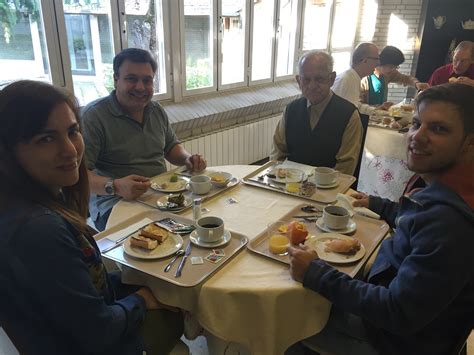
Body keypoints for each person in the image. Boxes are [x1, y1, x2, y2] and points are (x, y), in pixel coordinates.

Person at [287, 83, 474, 355]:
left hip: (393, 342)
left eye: (439, 129)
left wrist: (315, 272)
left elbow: (396, 312)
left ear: (470, 142)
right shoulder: (443, 193)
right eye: (417, 123)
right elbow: (417, 222)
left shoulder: (450, 222)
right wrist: (377, 204)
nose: (417, 136)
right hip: (410, 322)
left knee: (286, 324)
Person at [0, 80, 183, 354]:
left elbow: (84, 289)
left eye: (73, 131)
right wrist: (142, 299)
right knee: (183, 314)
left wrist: (148, 282)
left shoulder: (33, 206)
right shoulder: (39, 230)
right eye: (46, 139)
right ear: (9, 151)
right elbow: (99, 331)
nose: (71, 150)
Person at [82, 48, 207, 231]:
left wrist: (187, 158)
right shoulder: (94, 117)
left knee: (201, 220)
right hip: (115, 203)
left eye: (147, 80)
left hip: (160, 195)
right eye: (131, 79)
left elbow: (171, 147)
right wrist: (115, 186)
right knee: (161, 243)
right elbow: (79, 175)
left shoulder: (155, 109)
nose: (140, 87)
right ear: (116, 79)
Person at [270, 51, 363, 175]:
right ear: (299, 80)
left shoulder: (349, 115)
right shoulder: (291, 110)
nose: (312, 86)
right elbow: (277, 153)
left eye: (319, 79)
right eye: (306, 80)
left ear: (332, 79)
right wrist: (278, 178)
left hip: (329, 188)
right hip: (291, 185)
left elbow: (345, 167)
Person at [360, 46, 429, 105]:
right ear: (382, 63)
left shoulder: (388, 74)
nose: (394, 70)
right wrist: (376, 108)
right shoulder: (365, 77)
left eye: (396, 67)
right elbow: (359, 104)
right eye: (391, 67)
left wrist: (416, 84)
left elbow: (405, 79)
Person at [332, 42, 388, 115]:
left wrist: (375, 110)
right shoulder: (347, 80)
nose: (378, 63)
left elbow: (354, 105)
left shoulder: (354, 78)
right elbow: (337, 111)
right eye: (376, 59)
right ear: (365, 60)